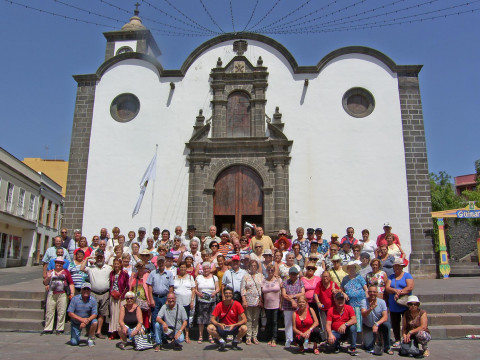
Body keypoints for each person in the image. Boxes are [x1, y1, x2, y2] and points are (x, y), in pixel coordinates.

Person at [80, 249, 112, 338]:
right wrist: (87, 258)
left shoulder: (108, 268)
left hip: (105, 293)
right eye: (98, 257)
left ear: (103, 258)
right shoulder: (91, 268)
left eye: (101, 257)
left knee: (102, 314)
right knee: (93, 313)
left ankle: (99, 331)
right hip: (93, 293)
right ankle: (91, 332)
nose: (99, 259)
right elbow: (81, 268)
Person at [207, 287, 248, 351]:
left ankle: (235, 341)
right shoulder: (219, 305)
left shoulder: (237, 304)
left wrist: (234, 325)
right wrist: (219, 324)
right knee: (210, 327)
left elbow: (244, 320)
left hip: (233, 327)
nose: (228, 295)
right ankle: (221, 341)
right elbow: (212, 319)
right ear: (223, 294)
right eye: (226, 293)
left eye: (229, 293)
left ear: (232, 295)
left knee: (244, 328)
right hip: (223, 327)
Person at [385, 258, 414, 347]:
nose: (397, 268)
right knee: (395, 323)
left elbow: (410, 287)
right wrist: (395, 291)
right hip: (394, 304)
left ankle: (407, 338)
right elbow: (387, 288)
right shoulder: (391, 277)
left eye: (399, 266)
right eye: (395, 266)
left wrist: (399, 292)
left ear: (402, 267)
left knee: (407, 322)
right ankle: (397, 339)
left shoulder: (407, 275)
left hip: (404, 303)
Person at [42, 257, 74, 335]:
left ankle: (59, 328)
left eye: (60, 263)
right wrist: (48, 277)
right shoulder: (51, 271)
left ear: (63, 264)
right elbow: (45, 283)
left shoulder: (66, 272)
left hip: (62, 294)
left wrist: (72, 293)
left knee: (61, 311)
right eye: (57, 263)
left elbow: (71, 283)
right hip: (52, 293)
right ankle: (48, 328)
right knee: (50, 310)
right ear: (55, 263)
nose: (59, 264)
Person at [147, 256, 174, 342]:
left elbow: (171, 287)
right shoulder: (153, 273)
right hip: (155, 297)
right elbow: (150, 286)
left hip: (165, 297)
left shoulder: (169, 274)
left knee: (164, 318)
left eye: (163, 262)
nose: (161, 264)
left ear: (165, 262)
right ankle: (156, 337)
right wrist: (151, 299)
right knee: (155, 317)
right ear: (157, 263)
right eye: (159, 262)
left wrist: (168, 300)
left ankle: (163, 336)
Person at [361, 285, 392, 355]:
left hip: (378, 324)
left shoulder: (382, 302)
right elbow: (363, 314)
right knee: (368, 347)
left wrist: (377, 324)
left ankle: (387, 347)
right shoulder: (364, 301)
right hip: (368, 325)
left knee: (387, 325)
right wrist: (370, 308)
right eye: (370, 292)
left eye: (374, 292)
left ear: (377, 293)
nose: (372, 293)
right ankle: (375, 341)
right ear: (368, 293)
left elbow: (385, 317)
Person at [67, 282, 98, 347]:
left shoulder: (93, 300)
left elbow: (95, 314)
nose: (86, 291)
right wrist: (81, 320)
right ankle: (76, 336)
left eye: (88, 289)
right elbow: (70, 313)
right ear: (81, 290)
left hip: (88, 322)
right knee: (74, 342)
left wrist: (86, 321)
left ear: (90, 291)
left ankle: (90, 338)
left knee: (95, 322)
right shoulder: (75, 299)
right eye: (84, 289)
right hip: (76, 322)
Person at [341, 261, 368, 335]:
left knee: (361, 319)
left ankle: (361, 336)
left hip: (360, 302)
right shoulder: (345, 279)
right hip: (351, 303)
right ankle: (353, 336)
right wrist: (344, 294)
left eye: (353, 267)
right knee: (352, 319)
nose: (351, 269)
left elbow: (366, 288)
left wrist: (366, 296)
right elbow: (341, 289)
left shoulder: (359, 277)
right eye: (350, 268)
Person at [195, 261, 219, 343]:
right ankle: (200, 336)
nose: (206, 270)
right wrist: (198, 293)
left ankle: (210, 336)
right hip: (201, 300)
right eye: (204, 269)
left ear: (210, 269)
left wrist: (214, 293)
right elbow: (194, 288)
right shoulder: (198, 277)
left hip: (211, 301)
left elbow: (218, 288)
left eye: (207, 268)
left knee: (210, 319)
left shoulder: (214, 277)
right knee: (201, 319)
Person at [281, 267, 305, 348]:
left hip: (298, 305)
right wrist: (292, 300)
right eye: (292, 274)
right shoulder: (285, 283)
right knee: (288, 323)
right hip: (288, 305)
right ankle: (288, 340)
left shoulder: (300, 282)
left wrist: (294, 296)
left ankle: (299, 339)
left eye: (295, 274)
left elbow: (303, 293)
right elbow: (284, 294)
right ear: (289, 274)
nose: (293, 275)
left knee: (299, 323)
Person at [241, 259, 264, 345]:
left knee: (256, 319)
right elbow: (242, 289)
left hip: (257, 300)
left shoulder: (261, 276)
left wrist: (262, 300)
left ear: (257, 267)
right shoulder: (246, 276)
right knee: (249, 319)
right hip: (248, 300)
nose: (253, 267)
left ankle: (255, 336)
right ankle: (248, 337)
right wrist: (244, 300)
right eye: (251, 265)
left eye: (255, 266)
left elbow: (263, 288)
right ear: (249, 267)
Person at [174, 261, 195, 343]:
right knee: (177, 318)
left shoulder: (190, 277)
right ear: (179, 268)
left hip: (186, 301)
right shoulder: (175, 277)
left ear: (186, 268)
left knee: (186, 319)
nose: (182, 268)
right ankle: (177, 334)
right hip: (177, 302)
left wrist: (192, 300)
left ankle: (187, 335)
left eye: (184, 267)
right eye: (181, 267)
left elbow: (193, 289)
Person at [108, 258, 130, 339]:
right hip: (113, 296)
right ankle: (113, 332)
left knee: (121, 315)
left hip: (121, 297)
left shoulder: (124, 274)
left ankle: (121, 332)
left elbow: (127, 286)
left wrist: (122, 295)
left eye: (118, 264)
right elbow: (111, 284)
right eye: (115, 264)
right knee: (113, 315)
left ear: (121, 265)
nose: (116, 265)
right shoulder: (111, 273)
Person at [261, 263, 282, 347]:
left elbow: (281, 292)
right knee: (269, 322)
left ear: (274, 271)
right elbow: (261, 293)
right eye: (269, 270)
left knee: (274, 322)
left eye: (272, 270)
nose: (270, 271)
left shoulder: (278, 280)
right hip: (267, 304)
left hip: (276, 304)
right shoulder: (264, 280)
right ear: (266, 271)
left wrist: (281, 303)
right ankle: (269, 338)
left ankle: (274, 338)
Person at [129, 260, 152, 329]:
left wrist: (149, 300)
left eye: (142, 267)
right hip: (135, 300)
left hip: (144, 300)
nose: (140, 269)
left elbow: (150, 288)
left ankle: (145, 333)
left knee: (145, 317)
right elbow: (130, 287)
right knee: (136, 317)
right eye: (139, 267)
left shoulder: (147, 275)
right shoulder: (134, 276)